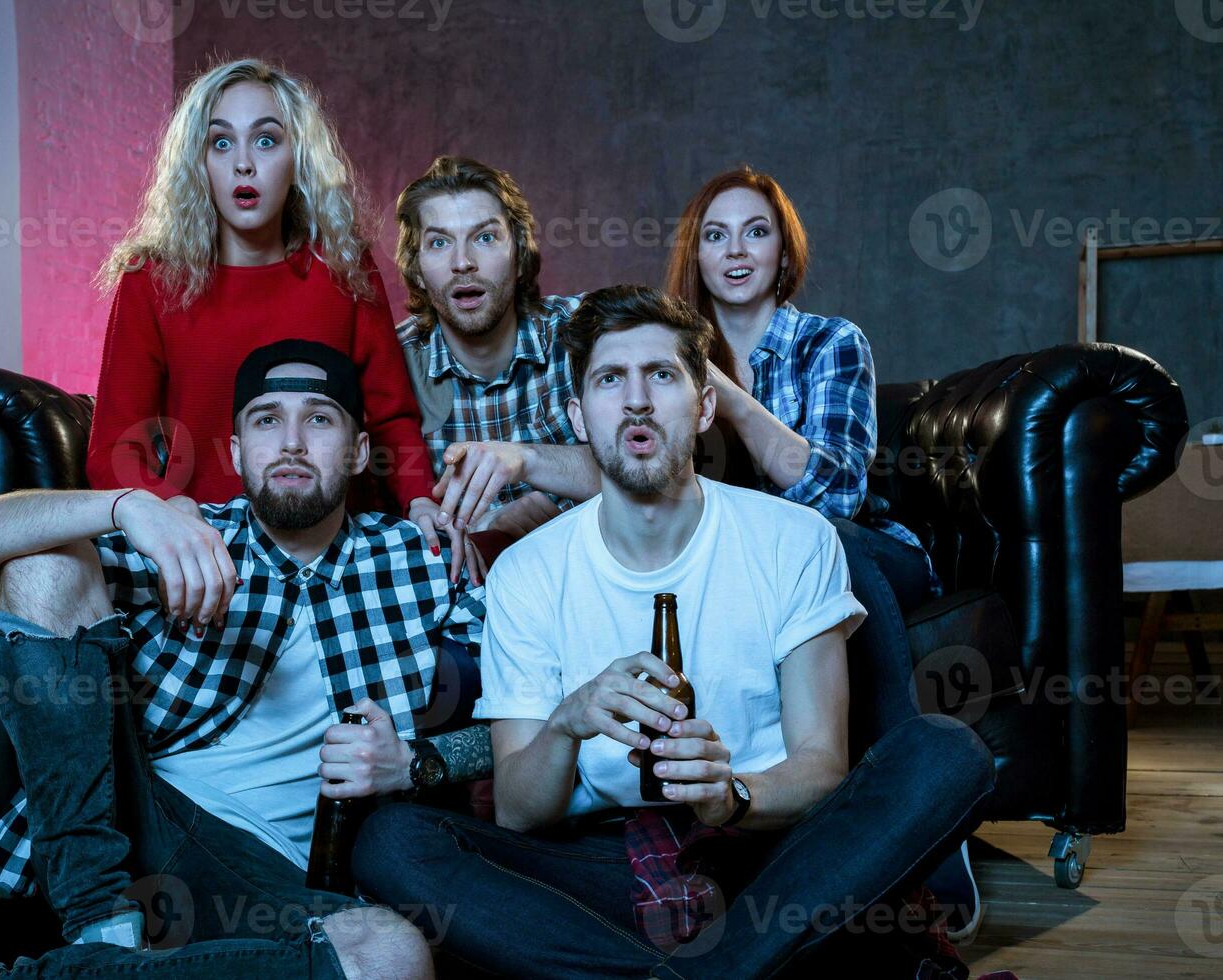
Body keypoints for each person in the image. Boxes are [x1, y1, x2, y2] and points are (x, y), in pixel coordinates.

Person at [352, 285, 995, 978]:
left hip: (766, 853)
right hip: (603, 863)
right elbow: (517, 811)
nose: (636, 399)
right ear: (578, 414)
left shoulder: (795, 540)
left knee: (945, 752)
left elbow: (819, 766)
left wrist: (733, 794)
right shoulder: (528, 575)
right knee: (393, 841)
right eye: (609, 379)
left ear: (703, 405)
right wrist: (568, 721)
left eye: (661, 375)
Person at [0, 341, 484, 979]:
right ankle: (96, 919)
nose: (292, 442)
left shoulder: (423, 559)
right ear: (239, 451)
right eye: (267, 419)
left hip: (266, 876)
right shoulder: (186, 538)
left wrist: (418, 764)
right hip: (134, 820)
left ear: (358, 451)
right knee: (48, 560)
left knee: (394, 957)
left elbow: (522, 728)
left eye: (320, 418)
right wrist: (125, 504)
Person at [664, 165, 981, 937]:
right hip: (752, 577)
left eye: (756, 231)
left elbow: (834, 494)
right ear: (695, 256)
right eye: (716, 234)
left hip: (867, 551)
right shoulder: (667, 357)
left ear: (783, 251)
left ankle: (932, 844)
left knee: (822, 541)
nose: (736, 250)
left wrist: (728, 396)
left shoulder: (833, 342)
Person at [85, 58, 452, 556]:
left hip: (334, 543)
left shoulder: (343, 266)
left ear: (297, 157)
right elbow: (115, 448)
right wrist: (168, 508)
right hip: (206, 543)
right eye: (221, 142)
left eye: (265, 140)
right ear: (199, 161)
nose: (243, 163)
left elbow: (389, 416)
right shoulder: (151, 281)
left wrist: (419, 502)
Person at [393, 156, 594, 586]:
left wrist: (530, 463)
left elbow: (652, 471)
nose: (463, 262)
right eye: (439, 242)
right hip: (460, 613)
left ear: (518, 255)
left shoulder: (584, 334)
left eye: (484, 237)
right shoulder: (393, 366)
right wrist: (487, 528)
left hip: (587, 587)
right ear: (417, 270)